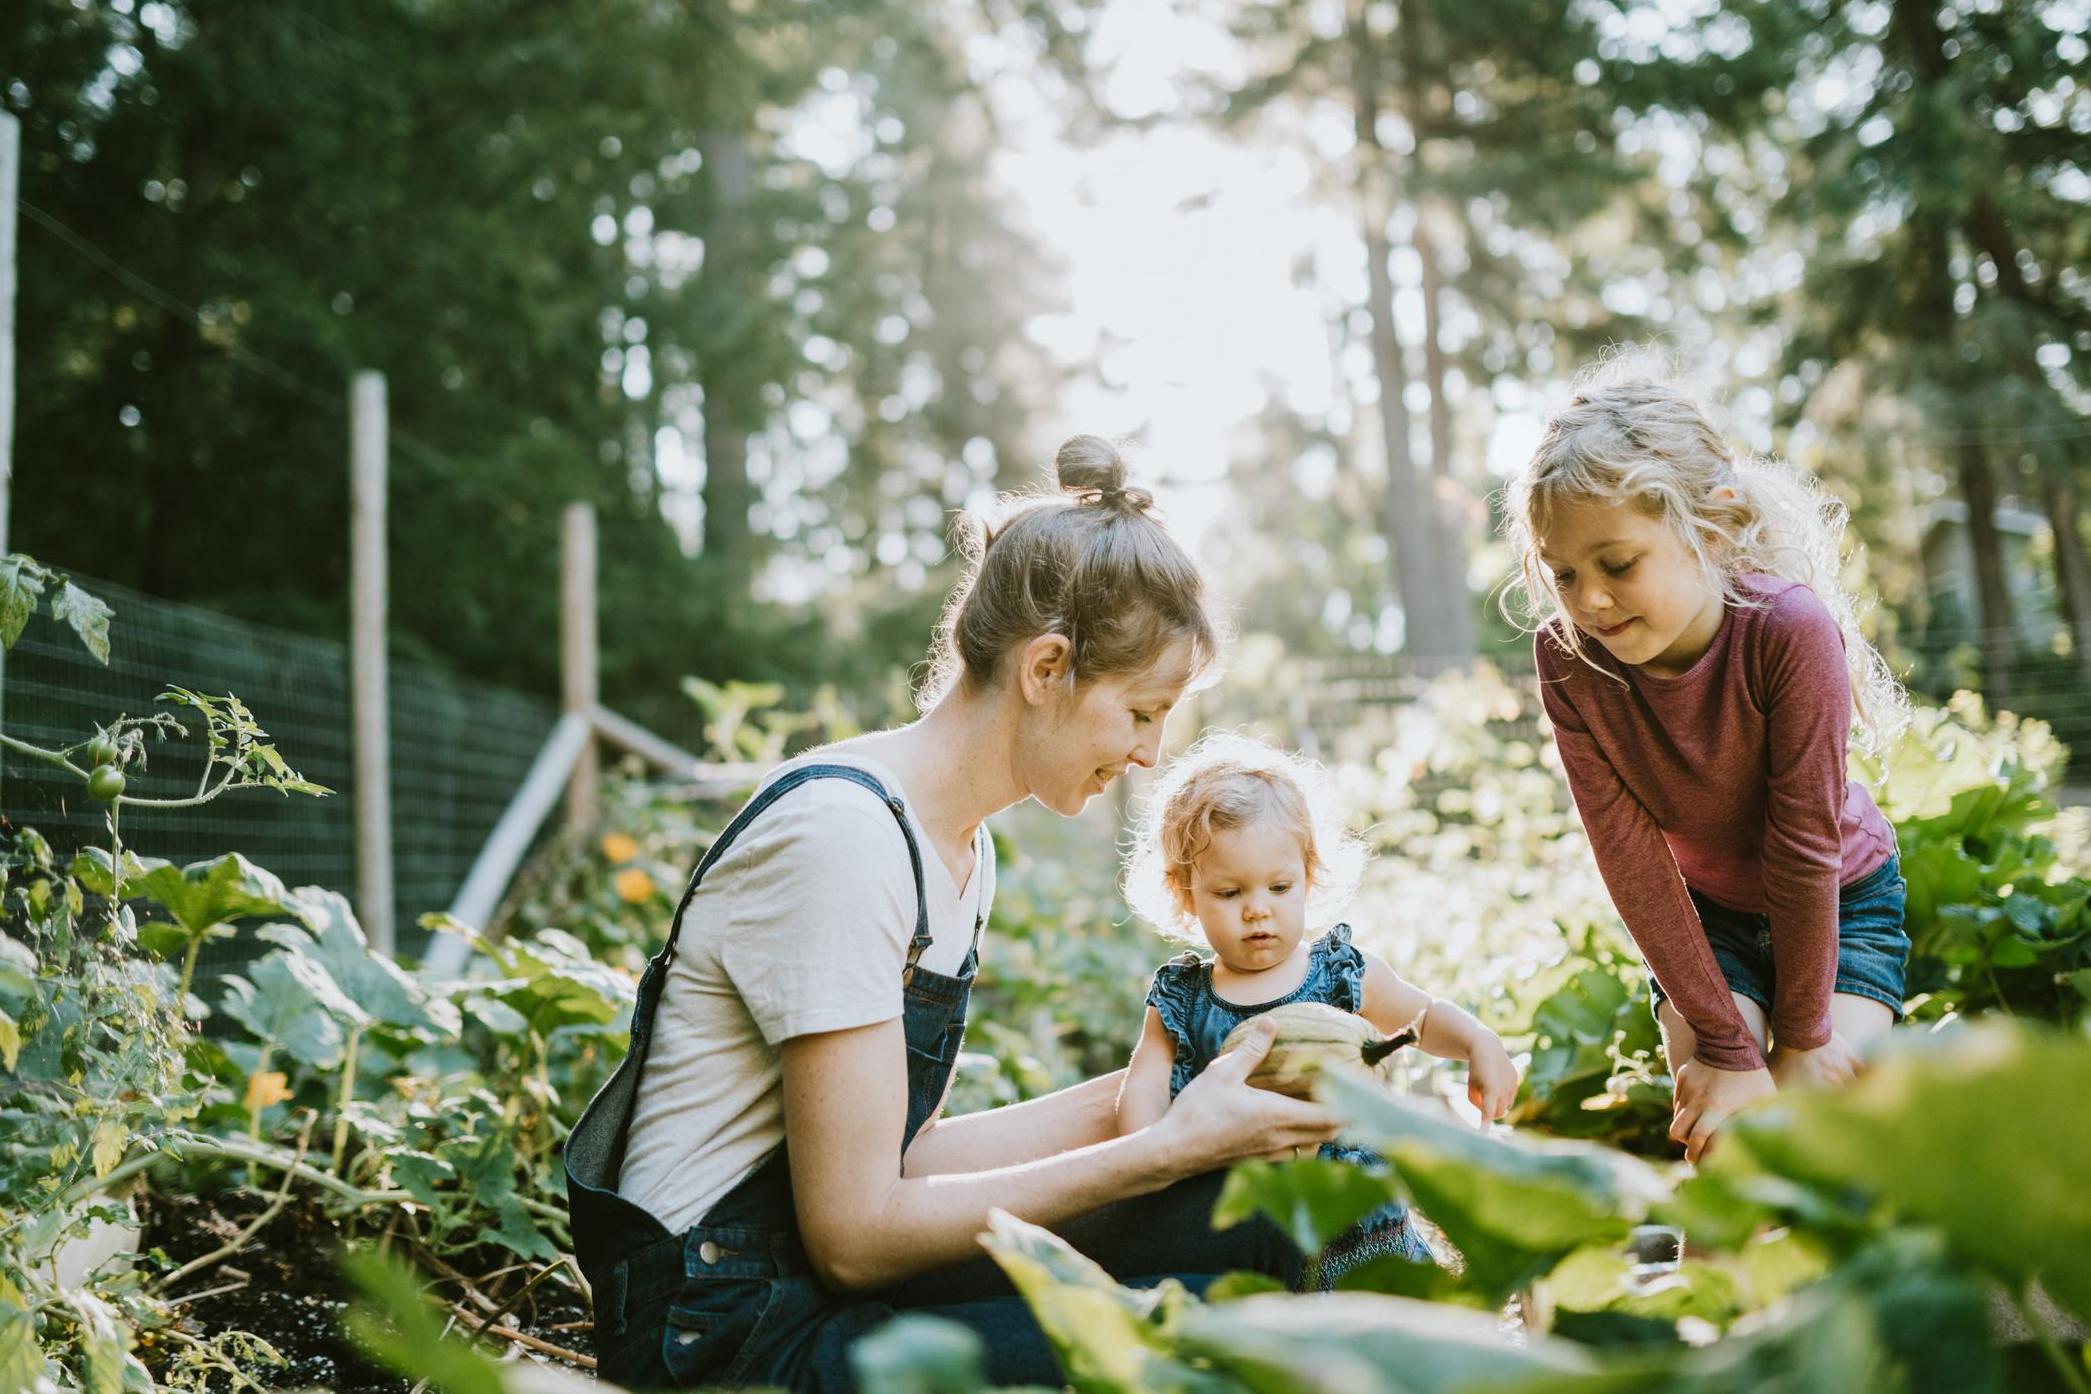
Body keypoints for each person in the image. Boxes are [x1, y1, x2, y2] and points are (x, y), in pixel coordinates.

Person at [565, 436, 1340, 1392]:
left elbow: (902, 1155)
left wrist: (1179, 1085)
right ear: (1046, 667)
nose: (1148, 756)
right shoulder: (844, 838)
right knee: (1204, 1343)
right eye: (1141, 712)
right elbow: (854, 1234)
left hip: (804, 1278)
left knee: (1263, 1214)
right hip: (722, 1337)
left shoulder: (955, 847)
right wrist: (1160, 1150)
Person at [1500, 363, 1912, 1164]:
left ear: (1711, 530)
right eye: (1563, 575)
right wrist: (1727, 1048)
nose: (1586, 601)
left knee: (1820, 1145)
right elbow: (1630, 862)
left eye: (1616, 564)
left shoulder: (1786, 632)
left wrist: (1799, 1039)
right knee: (1728, 1150)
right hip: (1705, 924)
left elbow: (1802, 850)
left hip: (1841, 902)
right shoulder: (1569, 661)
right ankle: (1714, 1294)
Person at [1115, 733, 1520, 1285]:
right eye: (1230, 894)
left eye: (1280, 887)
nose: (1258, 910)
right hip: (1255, 1232)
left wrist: (1477, 1042)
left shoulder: (1339, 975)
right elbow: (1143, 1083)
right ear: (1187, 894)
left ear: (1309, 875)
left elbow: (1420, 1016)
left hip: (1365, 1229)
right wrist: (1151, 1154)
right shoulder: (1183, 999)